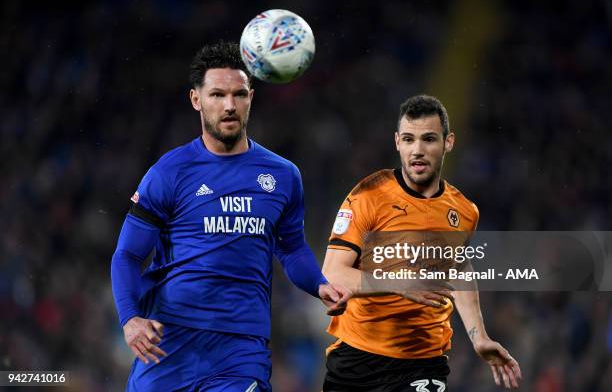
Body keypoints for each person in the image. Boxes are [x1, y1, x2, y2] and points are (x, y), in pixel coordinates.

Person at [110, 41, 349, 392]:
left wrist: (319, 284)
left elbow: (292, 248)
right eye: (218, 95)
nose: (229, 105)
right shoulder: (169, 173)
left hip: (240, 350)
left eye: (239, 95)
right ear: (196, 99)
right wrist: (130, 319)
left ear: (251, 97)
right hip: (168, 343)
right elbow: (127, 255)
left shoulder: (282, 176)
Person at [321, 95, 522, 391]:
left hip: (424, 362)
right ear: (397, 142)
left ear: (448, 142)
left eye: (428, 139)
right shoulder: (368, 195)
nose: (417, 150)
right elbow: (333, 274)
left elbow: (458, 269)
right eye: (408, 139)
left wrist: (479, 336)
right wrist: (402, 284)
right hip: (357, 358)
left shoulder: (465, 211)